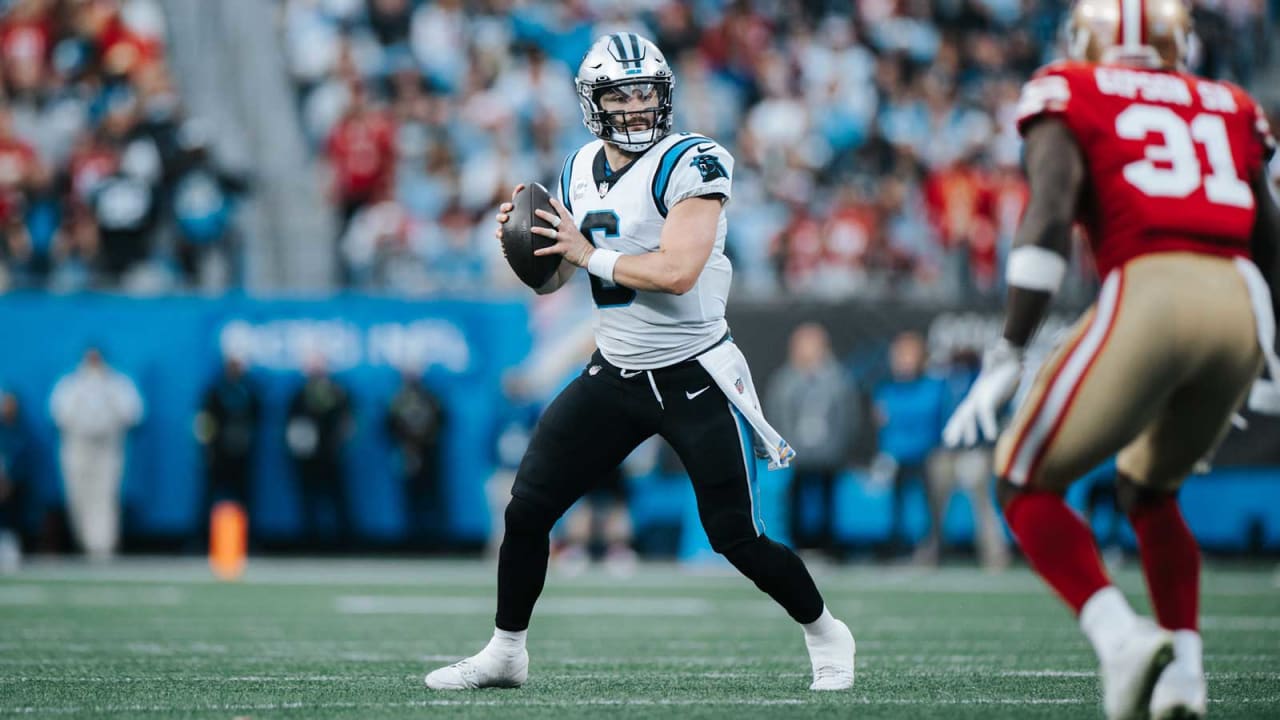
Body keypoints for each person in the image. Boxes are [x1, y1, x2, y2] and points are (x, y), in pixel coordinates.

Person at [426, 32, 855, 693]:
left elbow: (679, 271)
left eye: (645, 92)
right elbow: (556, 284)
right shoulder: (574, 169)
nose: (634, 105)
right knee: (527, 508)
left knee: (735, 536)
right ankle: (506, 650)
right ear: (592, 103)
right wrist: (526, 249)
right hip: (615, 370)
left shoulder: (693, 159)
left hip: (695, 373)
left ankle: (826, 630)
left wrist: (581, 249)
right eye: (620, 94)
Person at [943, 3, 1280, 719]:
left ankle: (1119, 638)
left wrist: (1009, 347)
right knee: (1148, 490)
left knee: (1020, 481)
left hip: (1151, 287)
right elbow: (1269, 235)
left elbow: (1050, 210)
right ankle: (1187, 678)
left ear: (1086, 39)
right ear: (1178, 39)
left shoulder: (1071, 86)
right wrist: (1270, 346)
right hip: (1241, 301)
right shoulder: (1232, 103)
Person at [765, 323, 861, 558]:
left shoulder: (837, 378)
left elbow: (847, 414)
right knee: (794, 496)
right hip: (796, 451)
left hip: (828, 450)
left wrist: (839, 445)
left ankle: (827, 542)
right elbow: (776, 414)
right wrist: (782, 448)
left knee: (829, 497)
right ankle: (797, 542)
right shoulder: (786, 379)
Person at [49, 346, 144, 560]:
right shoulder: (70, 384)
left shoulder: (117, 383)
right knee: (78, 495)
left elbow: (134, 413)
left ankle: (102, 546)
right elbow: (58, 415)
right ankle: (83, 542)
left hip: (107, 448)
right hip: (78, 447)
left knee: (105, 496)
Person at [874, 331, 950, 563]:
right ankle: (896, 546)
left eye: (908, 355)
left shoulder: (933, 387)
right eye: (899, 356)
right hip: (896, 456)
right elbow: (886, 427)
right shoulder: (887, 389)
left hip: (925, 454)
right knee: (895, 503)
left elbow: (927, 420)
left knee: (930, 503)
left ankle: (931, 548)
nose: (903, 361)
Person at [285, 356, 354, 549]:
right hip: (308, 458)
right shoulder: (300, 394)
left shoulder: (337, 392)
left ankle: (346, 543)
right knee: (309, 501)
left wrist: (338, 442)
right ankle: (311, 543)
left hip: (331, 455)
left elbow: (347, 420)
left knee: (338, 500)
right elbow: (292, 426)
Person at [194, 354, 261, 541]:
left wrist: (246, 440)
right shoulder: (215, 390)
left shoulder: (249, 390)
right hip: (218, 454)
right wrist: (207, 448)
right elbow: (205, 420)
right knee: (209, 498)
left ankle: (246, 540)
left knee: (245, 499)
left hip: (242, 454)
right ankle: (201, 539)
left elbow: (257, 418)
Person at [385, 368, 446, 548]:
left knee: (433, 499)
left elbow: (442, 422)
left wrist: (424, 440)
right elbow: (388, 425)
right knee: (411, 499)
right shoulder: (398, 399)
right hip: (408, 455)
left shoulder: (430, 397)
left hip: (429, 456)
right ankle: (413, 542)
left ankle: (437, 541)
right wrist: (406, 445)